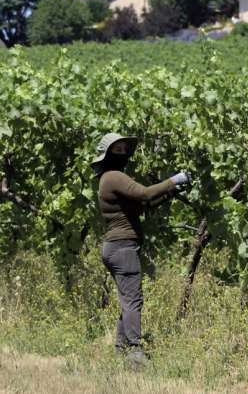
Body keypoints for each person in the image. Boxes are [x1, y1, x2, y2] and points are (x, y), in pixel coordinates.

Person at [91, 132, 191, 366]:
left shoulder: (111, 178)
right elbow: (145, 193)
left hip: (117, 247)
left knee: (129, 300)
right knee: (133, 300)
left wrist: (172, 191)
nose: (123, 153)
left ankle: (121, 349)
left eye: (125, 149)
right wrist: (175, 180)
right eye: (118, 150)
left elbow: (146, 204)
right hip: (122, 247)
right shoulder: (113, 176)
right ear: (107, 155)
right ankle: (134, 353)